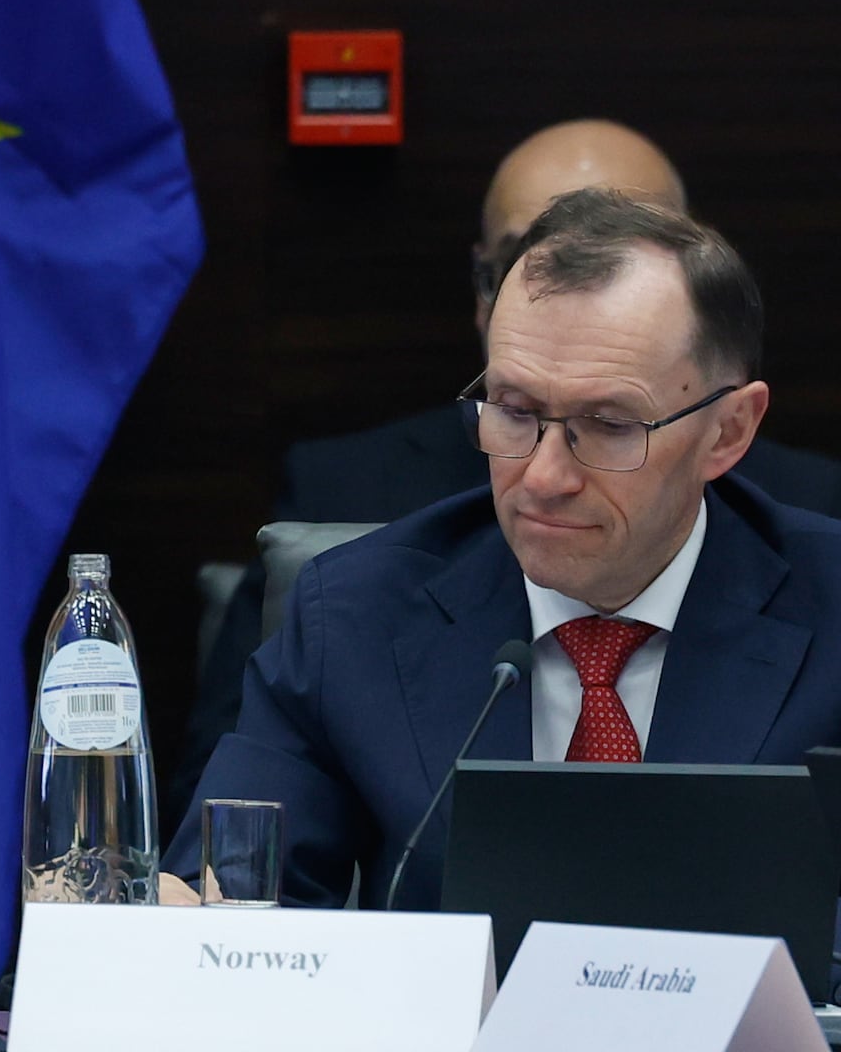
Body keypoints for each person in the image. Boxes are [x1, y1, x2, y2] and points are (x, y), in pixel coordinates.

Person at [166, 188, 841, 910]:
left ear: (728, 431)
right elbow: (225, 899)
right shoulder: (356, 616)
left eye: (610, 425)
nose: (544, 477)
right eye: (514, 412)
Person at [278, 121, 841, 521]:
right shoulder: (341, 505)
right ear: (483, 288)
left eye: (613, 425)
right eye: (529, 262)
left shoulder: (813, 515)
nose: (546, 478)